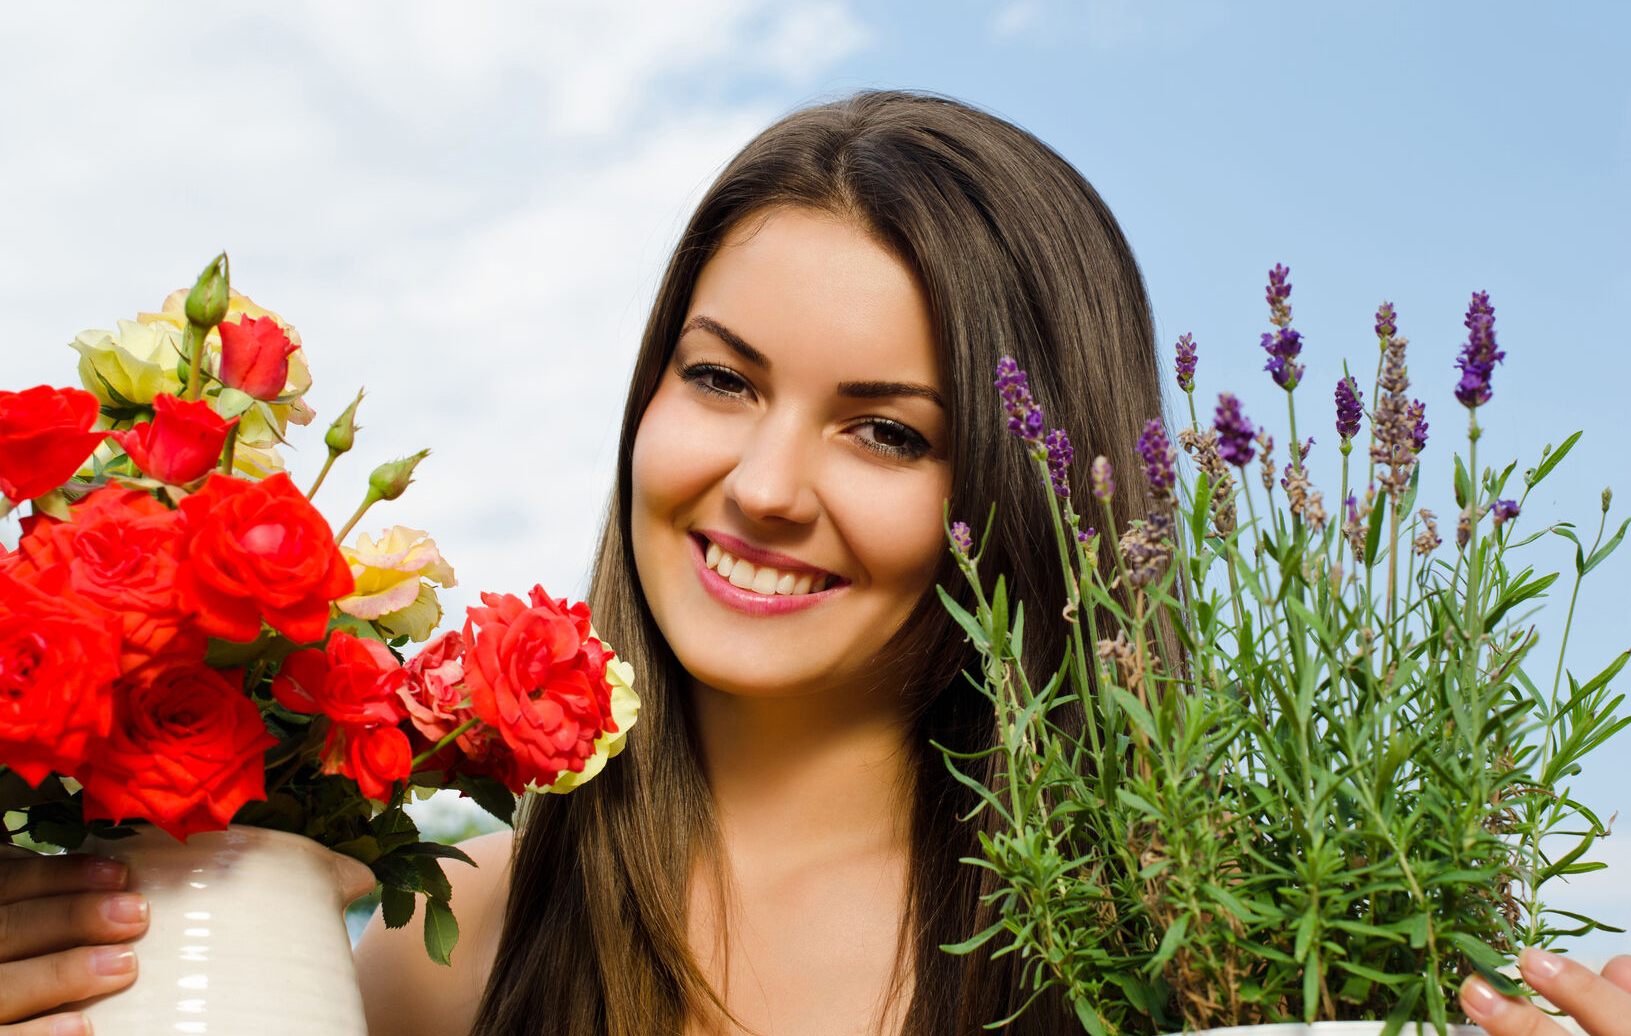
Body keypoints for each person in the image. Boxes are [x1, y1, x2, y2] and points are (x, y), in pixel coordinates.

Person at [1, 91, 1627, 1036]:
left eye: (889, 433)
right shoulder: (459, 938)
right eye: (720, 380)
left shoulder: (1217, 934)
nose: (762, 486)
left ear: (1029, 490)